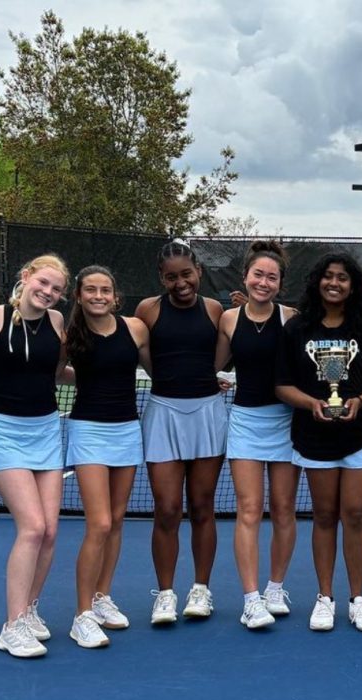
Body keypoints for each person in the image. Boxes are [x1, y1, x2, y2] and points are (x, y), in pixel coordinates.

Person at [275, 252, 362, 633]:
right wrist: (311, 403)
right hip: (314, 439)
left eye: (342, 278)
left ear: (353, 285)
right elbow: (281, 385)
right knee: (325, 516)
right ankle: (324, 598)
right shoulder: (297, 328)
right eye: (328, 276)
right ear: (317, 281)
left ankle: (357, 599)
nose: (334, 283)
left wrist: (359, 401)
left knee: (356, 516)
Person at [0, 254, 71, 657]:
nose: (48, 293)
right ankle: (11, 626)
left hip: (46, 429)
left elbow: (58, 372)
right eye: (43, 283)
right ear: (26, 276)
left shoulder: (56, 323)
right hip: (2, 431)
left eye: (57, 289)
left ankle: (29, 610)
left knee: (50, 530)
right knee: (31, 527)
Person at [135, 240, 227, 625]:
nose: (180, 283)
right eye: (171, 277)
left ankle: (201, 591)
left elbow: (221, 360)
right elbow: (147, 361)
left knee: (203, 506)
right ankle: (166, 594)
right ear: (162, 278)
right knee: (168, 509)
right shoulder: (147, 311)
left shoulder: (215, 310)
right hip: (163, 414)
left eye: (186, 274)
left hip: (207, 414)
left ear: (199, 273)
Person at [65, 266, 151, 647]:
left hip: (127, 430)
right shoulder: (69, 335)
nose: (98, 296)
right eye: (91, 290)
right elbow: (53, 374)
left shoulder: (135, 328)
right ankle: (81, 615)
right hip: (87, 430)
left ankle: (102, 597)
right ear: (79, 295)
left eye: (105, 290)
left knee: (116, 520)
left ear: (116, 296)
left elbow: (156, 371)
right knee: (98, 523)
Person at [215, 240, 299, 630]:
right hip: (246, 422)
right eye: (258, 275)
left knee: (283, 510)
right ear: (245, 277)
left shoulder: (292, 318)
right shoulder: (229, 320)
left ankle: (275, 588)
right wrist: (213, 380)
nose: (263, 282)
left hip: (286, 423)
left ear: (280, 283)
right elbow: (213, 365)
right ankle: (251, 599)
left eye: (272, 277)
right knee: (249, 510)